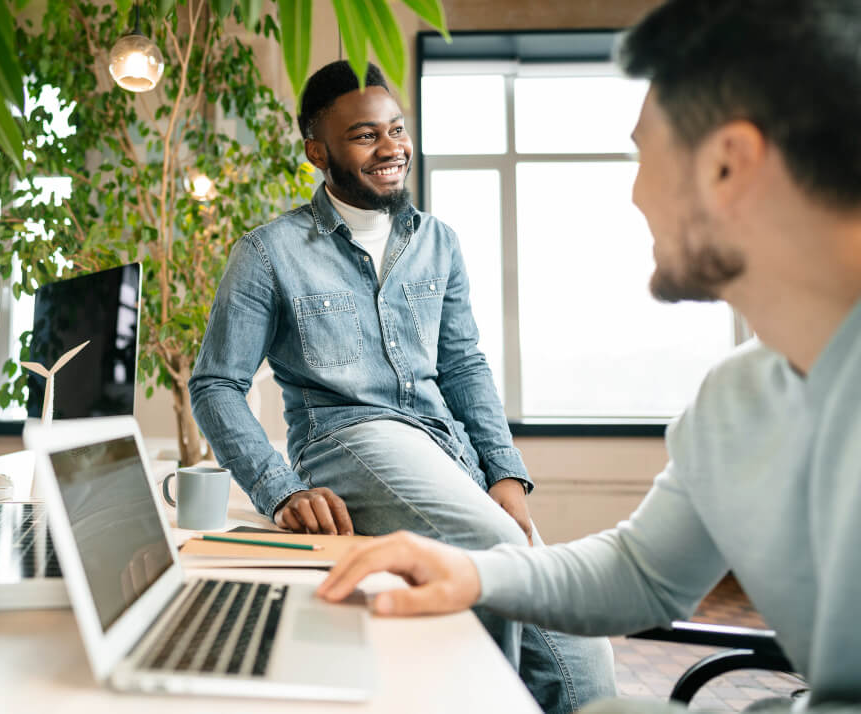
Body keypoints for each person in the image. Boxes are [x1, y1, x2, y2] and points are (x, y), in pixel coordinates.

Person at [317, 0, 861, 710]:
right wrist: (474, 574)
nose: (634, 195)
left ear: (730, 165)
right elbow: (641, 572)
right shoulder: (738, 401)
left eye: (645, 155)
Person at [190, 61, 615, 712]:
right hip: (348, 439)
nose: (391, 147)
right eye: (364, 136)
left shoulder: (438, 242)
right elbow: (216, 383)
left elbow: (464, 365)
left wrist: (504, 472)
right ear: (317, 151)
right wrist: (280, 491)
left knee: (579, 620)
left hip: (445, 449)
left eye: (396, 129)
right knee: (502, 557)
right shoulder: (268, 251)